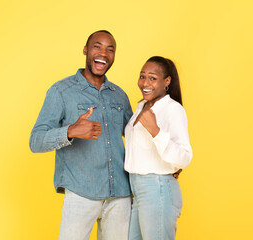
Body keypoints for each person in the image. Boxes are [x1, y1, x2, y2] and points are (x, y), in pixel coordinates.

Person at [29, 30, 133, 240]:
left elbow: (136, 139)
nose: (103, 53)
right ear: (85, 50)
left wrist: (166, 166)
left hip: (120, 195)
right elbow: (36, 141)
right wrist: (70, 131)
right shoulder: (61, 91)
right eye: (97, 46)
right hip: (80, 192)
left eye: (110, 49)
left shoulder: (120, 96)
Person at [124, 56, 193, 240]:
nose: (145, 83)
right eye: (142, 76)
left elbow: (185, 156)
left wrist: (155, 130)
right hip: (136, 188)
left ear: (167, 81)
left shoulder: (172, 109)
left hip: (157, 188)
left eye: (153, 78)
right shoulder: (141, 106)